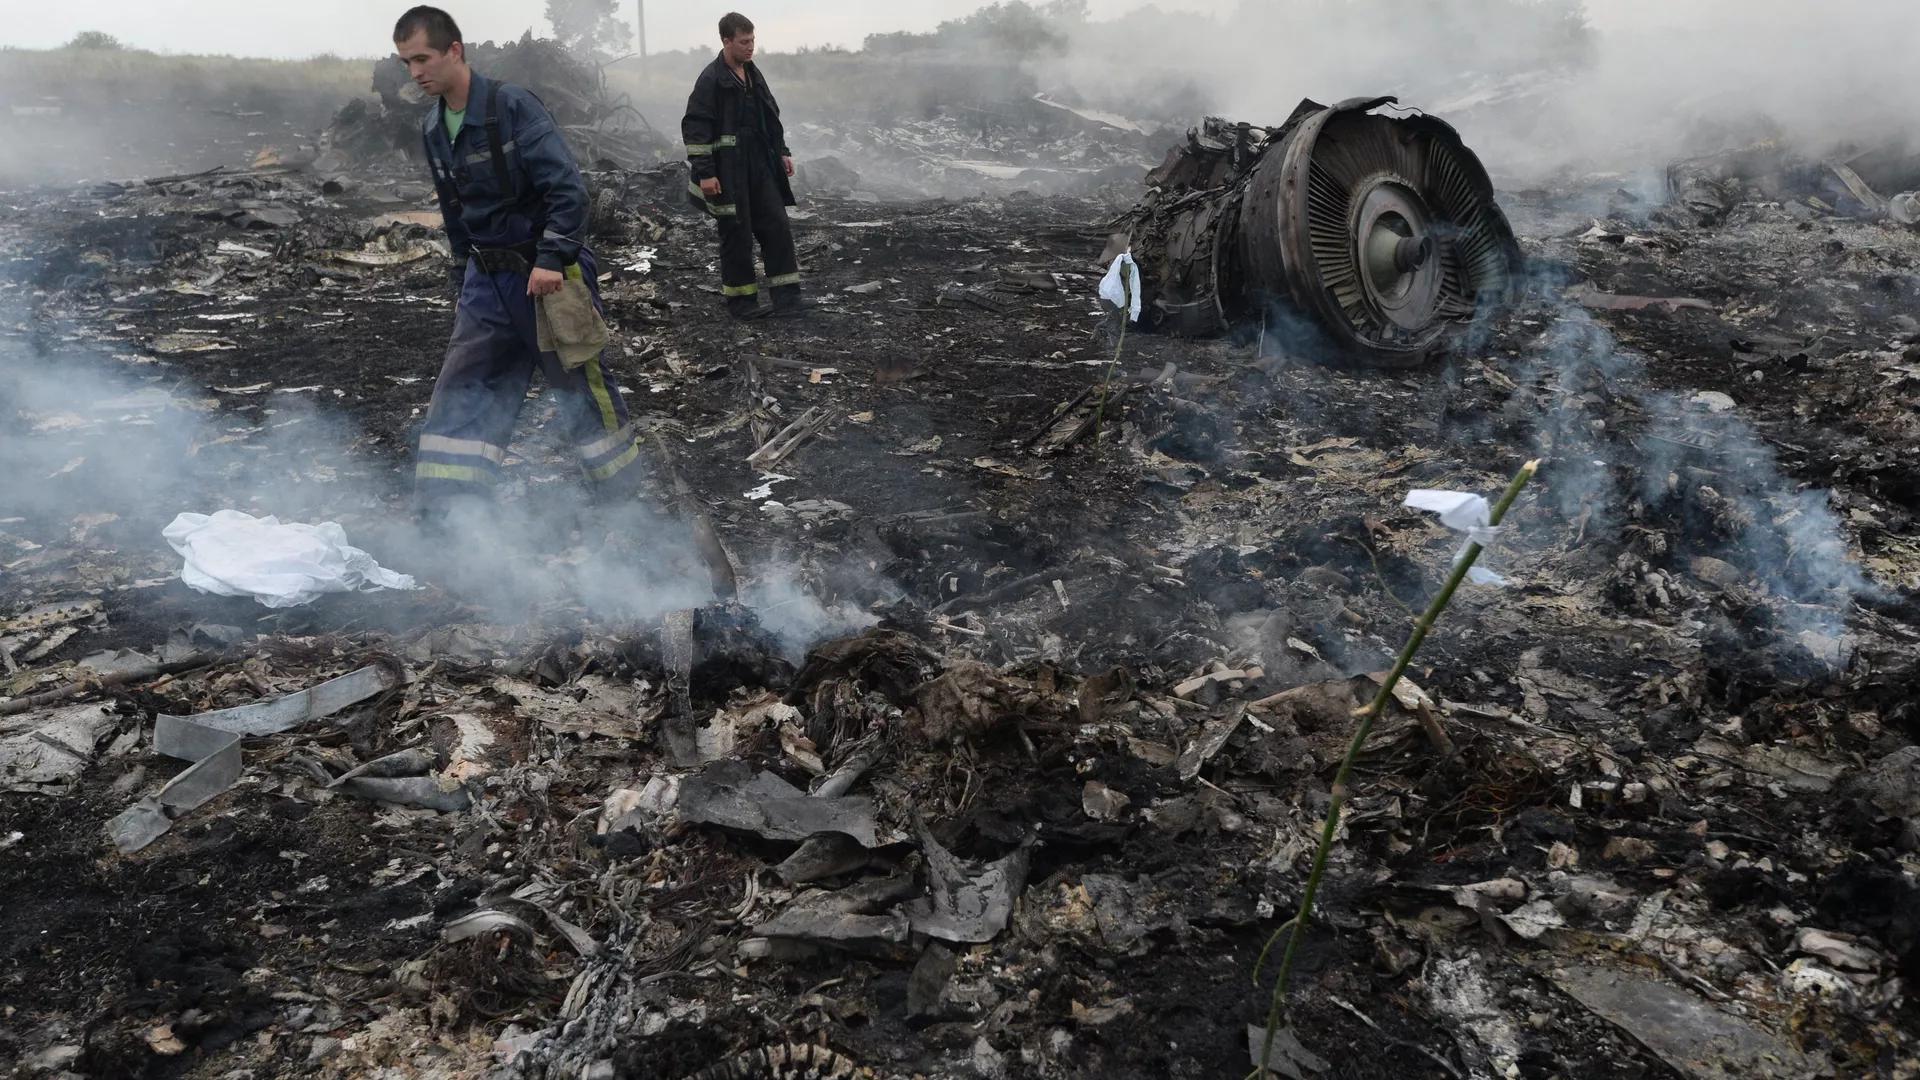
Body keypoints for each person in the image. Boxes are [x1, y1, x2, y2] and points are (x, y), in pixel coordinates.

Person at [393, 5, 645, 515]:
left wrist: (552, 258)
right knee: (465, 386)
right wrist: (461, 274)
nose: (415, 72)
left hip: (546, 275)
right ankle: (449, 513)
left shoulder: (511, 106)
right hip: (486, 281)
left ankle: (624, 502)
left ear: (454, 51)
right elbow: (454, 210)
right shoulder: (434, 127)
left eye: (422, 58)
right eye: (406, 63)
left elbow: (568, 191)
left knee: (579, 386)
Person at [681, 12, 803, 319]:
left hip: (760, 165)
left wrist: (782, 151)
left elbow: (769, 113)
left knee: (776, 225)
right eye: (744, 42)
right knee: (736, 235)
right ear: (726, 41)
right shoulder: (711, 79)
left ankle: (787, 299)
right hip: (728, 172)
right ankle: (742, 303)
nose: (750, 47)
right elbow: (696, 128)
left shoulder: (752, 72)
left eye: (752, 40)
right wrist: (706, 173)